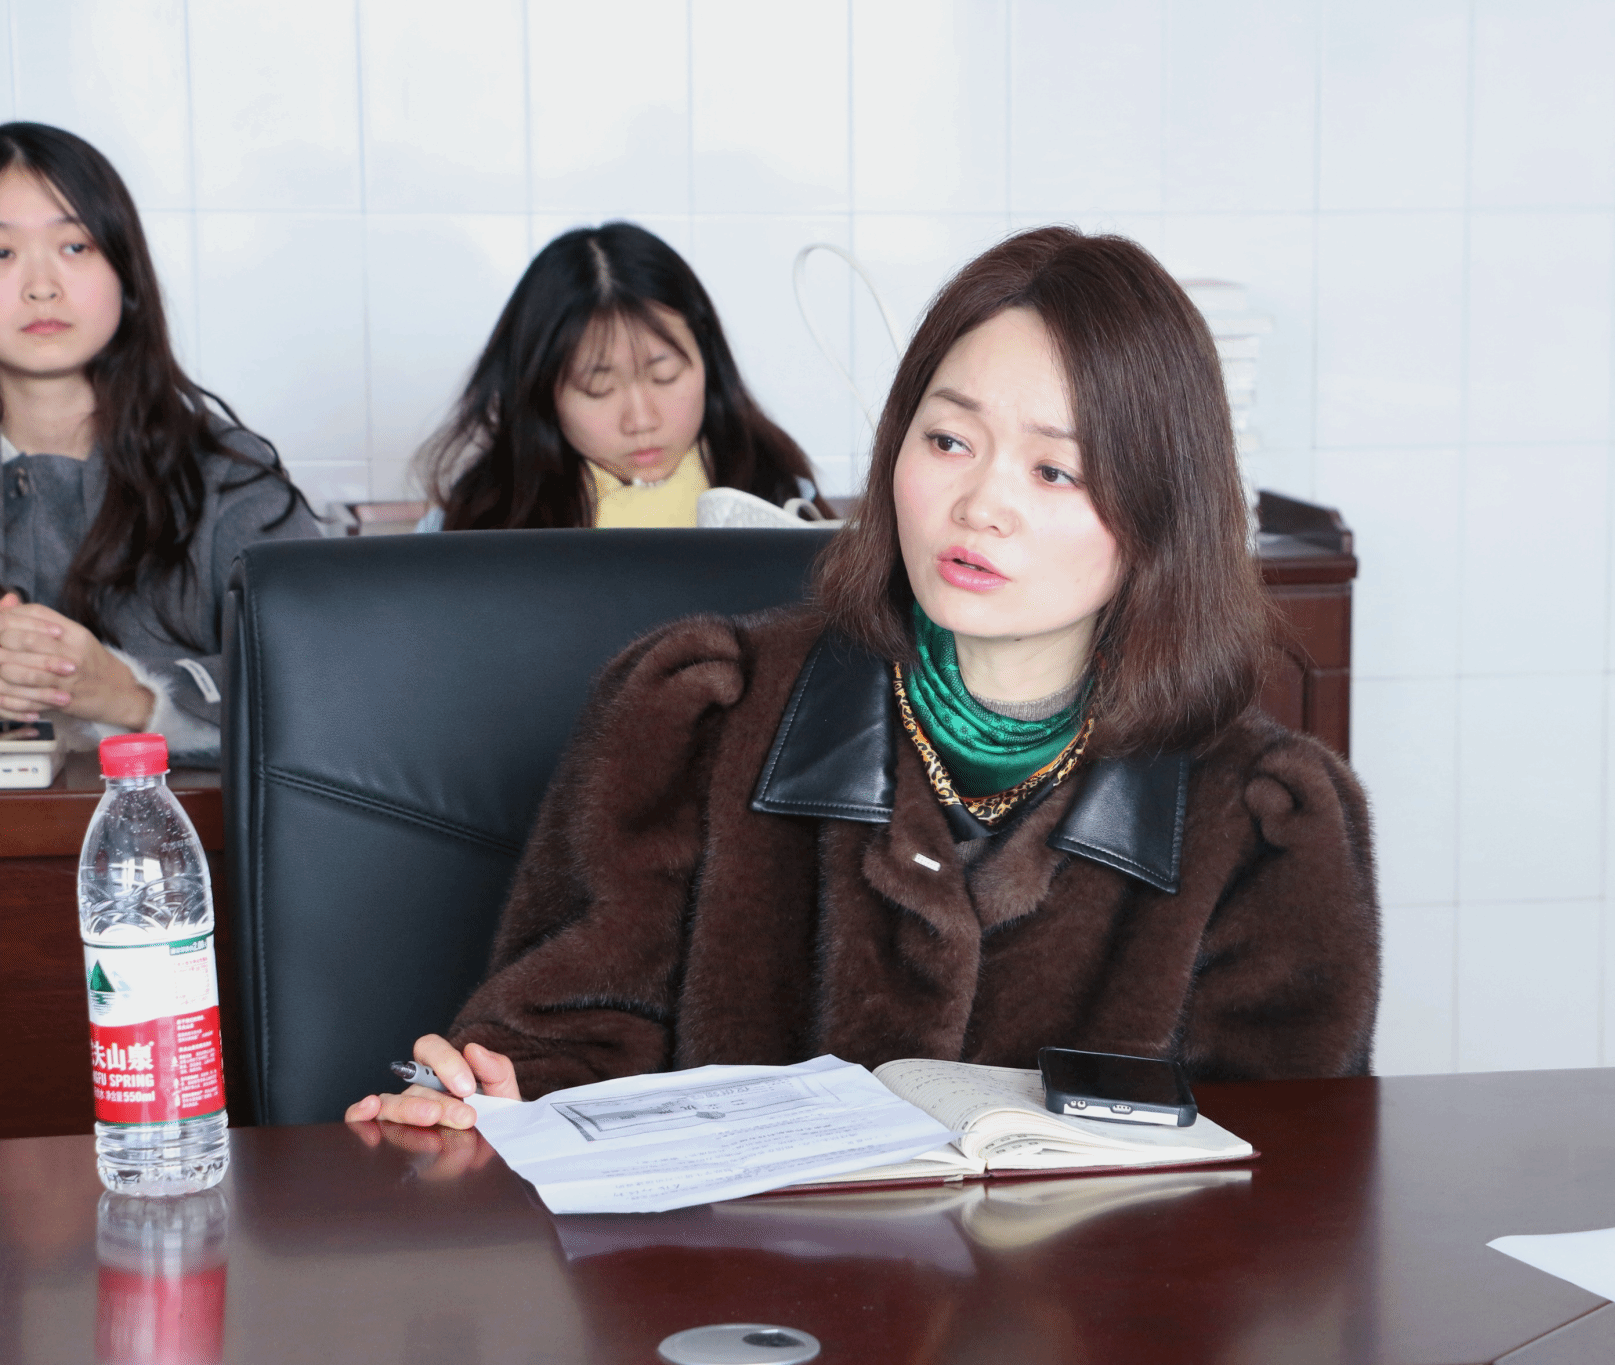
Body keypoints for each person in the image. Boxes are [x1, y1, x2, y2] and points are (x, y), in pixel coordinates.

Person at [350, 227, 1380, 1129]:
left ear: (1163, 510)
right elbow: (566, 1042)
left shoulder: (1265, 825)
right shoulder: (702, 714)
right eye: (948, 440)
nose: (978, 504)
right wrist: (490, 1098)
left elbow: (1279, 1182)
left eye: (1051, 470)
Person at [0, 122, 316, 764]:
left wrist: (129, 695)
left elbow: (330, 686)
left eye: (75, 246)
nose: (41, 286)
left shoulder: (230, 480)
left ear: (126, 271)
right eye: (0, 253)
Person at [415, 221, 821, 531]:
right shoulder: (467, 528)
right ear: (542, 394)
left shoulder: (782, 504)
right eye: (598, 389)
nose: (641, 421)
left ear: (707, 361)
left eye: (664, 375)